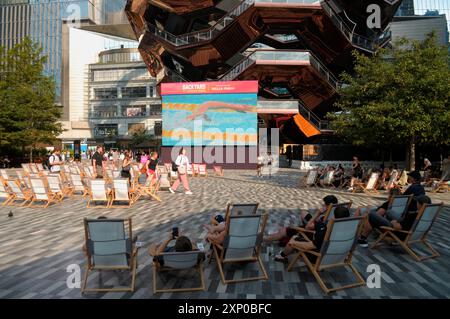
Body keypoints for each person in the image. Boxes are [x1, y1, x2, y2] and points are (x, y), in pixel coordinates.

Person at [275, 206, 351, 262]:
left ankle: (281, 256)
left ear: (334, 216)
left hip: (319, 258)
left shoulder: (325, 228)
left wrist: (293, 243)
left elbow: (309, 246)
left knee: (294, 239)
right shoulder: (351, 229)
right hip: (338, 256)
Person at [265, 195, 339, 249]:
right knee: (304, 213)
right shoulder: (335, 214)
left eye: (324, 204)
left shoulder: (324, 221)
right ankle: (294, 234)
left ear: (327, 206)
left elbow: (308, 227)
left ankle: (264, 239)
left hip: (312, 231)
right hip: (317, 227)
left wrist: (318, 214)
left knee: (283, 230)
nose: (322, 205)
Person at [358, 195, 432, 247]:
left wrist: (393, 223)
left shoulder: (414, 215)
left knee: (371, 214)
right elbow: (405, 224)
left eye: (417, 202)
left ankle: (363, 238)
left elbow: (398, 227)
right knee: (389, 211)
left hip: (398, 232)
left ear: (420, 204)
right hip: (409, 230)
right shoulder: (427, 215)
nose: (416, 203)